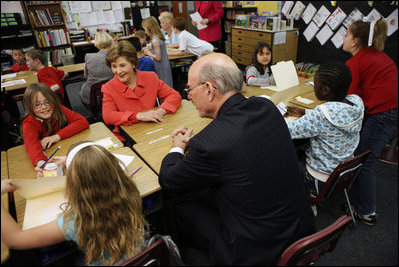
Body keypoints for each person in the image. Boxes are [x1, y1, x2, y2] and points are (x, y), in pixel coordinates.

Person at [158, 53, 316, 265]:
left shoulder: (209, 143)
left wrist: (177, 148)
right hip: (300, 229)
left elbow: (169, 179)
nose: (188, 96)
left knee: (178, 203)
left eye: (189, 89)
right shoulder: (266, 107)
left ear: (208, 89)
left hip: (257, 251)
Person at [1, 141, 149, 265]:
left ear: (73, 183)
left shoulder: (76, 221)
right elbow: (98, 168)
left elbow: (15, 239)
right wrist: (75, 160)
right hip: (141, 257)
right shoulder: (129, 192)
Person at [343, 19, 398, 226]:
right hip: (391, 111)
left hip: (385, 113)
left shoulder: (356, 62)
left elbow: (347, 99)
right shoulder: (377, 55)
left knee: (363, 160)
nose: (344, 38)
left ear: (355, 41)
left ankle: (366, 211)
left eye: (347, 34)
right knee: (362, 154)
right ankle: (359, 200)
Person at [287, 62, 364, 199]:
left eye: (315, 83)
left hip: (318, 179)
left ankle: (305, 202)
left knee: (282, 158)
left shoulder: (321, 115)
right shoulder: (357, 104)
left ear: (325, 90)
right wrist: (305, 112)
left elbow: (288, 130)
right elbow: (334, 116)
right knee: (300, 151)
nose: (314, 86)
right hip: (342, 174)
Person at [102, 40, 181, 141]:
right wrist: (138, 116)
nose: (118, 71)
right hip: (128, 136)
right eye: (114, 66)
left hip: (154, 128)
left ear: (133, 63)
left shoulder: (150, 77)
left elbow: (174, 96)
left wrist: (161, 111)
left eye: (122, 65)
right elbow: (108, 116)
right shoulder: (109, 88)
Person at [22, 83, 89, 176]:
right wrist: (41, 162)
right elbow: (32, 147)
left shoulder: (58, 109)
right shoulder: (28, 123)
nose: (44, 107)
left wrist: (57, 136)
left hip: (63, 150)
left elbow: (82, 122)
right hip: (50, 157)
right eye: (37, 105)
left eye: (47, 102)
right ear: (29, 107)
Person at [79, 31, 114, 106]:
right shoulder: (117, 56)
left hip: (94, 96)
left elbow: (86, 76)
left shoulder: (89, 57)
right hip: (114, 93)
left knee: (82, 87)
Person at [142, 16, 173, 88]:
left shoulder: (155, 40)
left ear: (149, 28)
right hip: (164, 64)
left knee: (163, 85)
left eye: (145, 29)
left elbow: (158, 58)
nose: (145, 31)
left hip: (161, 66)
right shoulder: (158, 37)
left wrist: (148, 53)